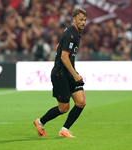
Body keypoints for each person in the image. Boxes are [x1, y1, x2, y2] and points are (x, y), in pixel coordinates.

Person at [34, 8, 87, 138]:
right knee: (64, 108)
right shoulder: (71, 34)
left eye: (85, 20)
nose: (83, 22)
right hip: (60, 74)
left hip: (68, 72)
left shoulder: (73, 32)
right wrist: (75, 74)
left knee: (81, 102)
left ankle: (64, 130)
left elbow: (59, 47)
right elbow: (64, 57)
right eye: (81, 19)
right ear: (74, 19)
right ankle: (40, 122)